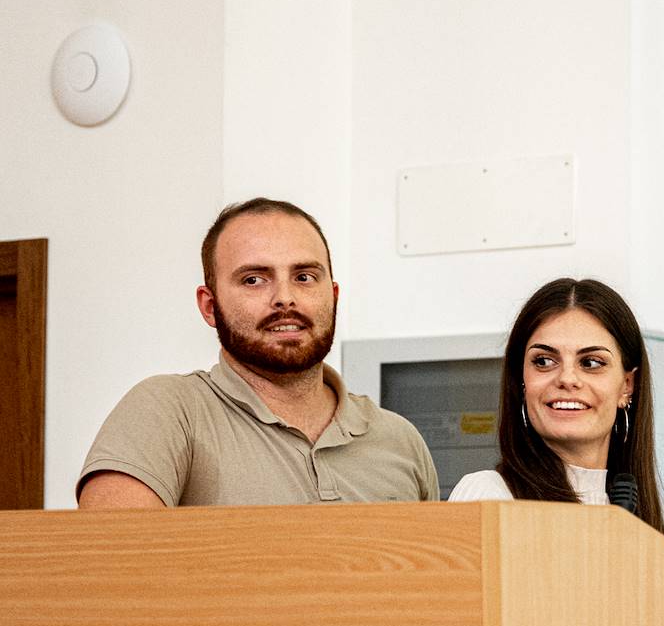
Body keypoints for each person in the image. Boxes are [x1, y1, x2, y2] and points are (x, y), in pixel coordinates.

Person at [77, 198, 437, 507]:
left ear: (333, 295)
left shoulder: (400, 441)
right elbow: (112, 558)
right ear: (209, 306)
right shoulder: (168, 411)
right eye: (254, 279)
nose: (285, 298)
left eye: (304, 277)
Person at [448, 277, 664, 534]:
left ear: (627, 385)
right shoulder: (488, 495)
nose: (567, 379)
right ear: (522, 381)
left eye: (591, 363)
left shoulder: (632, 514)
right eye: (544, 361)